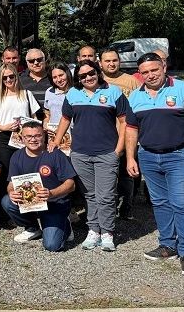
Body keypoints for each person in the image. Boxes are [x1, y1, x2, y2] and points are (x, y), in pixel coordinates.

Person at [125, 52, 184, 277]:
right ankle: (167, 245)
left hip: (180, 155)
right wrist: (130, 157)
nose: (150, 75)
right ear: (139, 75)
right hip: (148, 157)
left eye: (154, 70)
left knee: (180, 203)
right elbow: (131, 129)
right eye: (145, 72)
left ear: (163, 66)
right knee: (160, 203)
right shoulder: (135, 97)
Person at [51, 60, 128, 252]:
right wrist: (56, 141)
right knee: (90, 195)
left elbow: (124, 122)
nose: (88, 78)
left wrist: (118, 150)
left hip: (106, 153)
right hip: (80, 153)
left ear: (98, 72)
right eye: (83, 76)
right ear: (78, 78)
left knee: (107, 196)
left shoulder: (113, 91)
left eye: (91, 73)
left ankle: (107, 232)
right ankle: (93, 230)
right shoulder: (73, 94)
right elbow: (65, 119)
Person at [2, 121, 77, 251]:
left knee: (52, 246)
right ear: (22, 138)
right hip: (30, 203)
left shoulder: (55, 154)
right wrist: (11, 192)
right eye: (28, 136)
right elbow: (11, 184)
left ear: (44, 136)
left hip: (55, 203)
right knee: (7, 202)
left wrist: (52, 193)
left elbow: (71, 185)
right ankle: (33, 228)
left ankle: (65, 224)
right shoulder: (17, 156)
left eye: (37, 136)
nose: (33, 139)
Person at [100, 49, 141, 219]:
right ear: (100, 63)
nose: (111, 64)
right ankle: (108, 208)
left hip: (128, 135)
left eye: (114, 60)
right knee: (106, 175)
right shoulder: (96, 81)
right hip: (104, 136)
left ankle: (127, 208)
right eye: (107, 61)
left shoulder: (131, 81)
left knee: (126, 174)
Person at [0, 63, 42, 171]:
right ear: (0, 80)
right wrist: (5, 127)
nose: (8, 80)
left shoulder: (26, 94)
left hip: (25, 137)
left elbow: (34, 117)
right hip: (3, 139)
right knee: (8, 171)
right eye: (4, 78)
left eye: (11, 76)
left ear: (16, 76)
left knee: (26, 168)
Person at [42, 62, 73, 139]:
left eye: (61, 75)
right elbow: (47, 113)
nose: (59, 80)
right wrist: (45, 124)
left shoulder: (76, 91)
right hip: (53, 135)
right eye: (55, 77)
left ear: (67, 73)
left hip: (72, 135)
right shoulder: (49, 92)